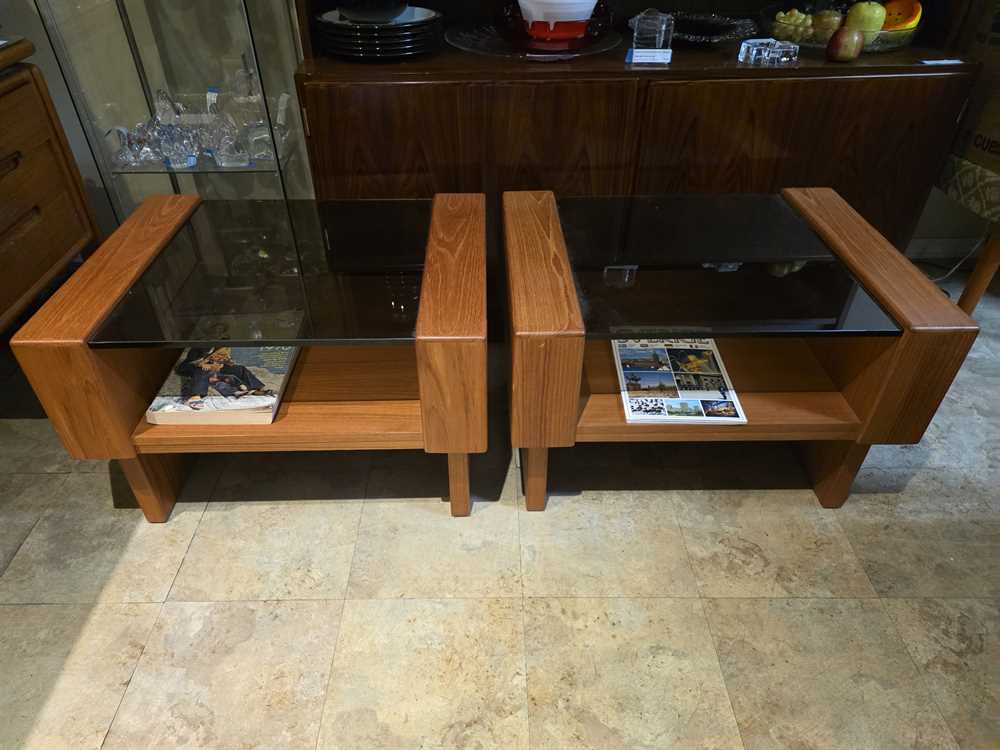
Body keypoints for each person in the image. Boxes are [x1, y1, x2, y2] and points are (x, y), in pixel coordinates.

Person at [176, 347, 273, 408]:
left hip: (215, 366)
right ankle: (195, 396)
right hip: (192, 367)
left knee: (240, 369)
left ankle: (256, 389)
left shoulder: (223, 347)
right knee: (203, 371)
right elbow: (192, 362)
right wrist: (202, 364)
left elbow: (224, 359)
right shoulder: (200, 347)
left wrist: (228, 362)